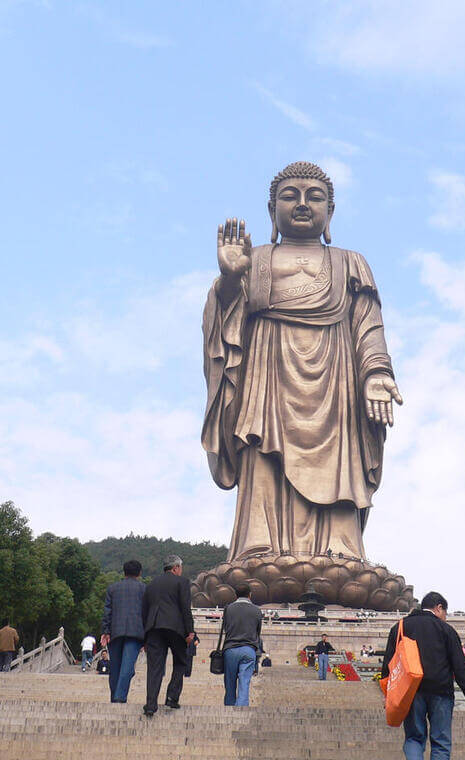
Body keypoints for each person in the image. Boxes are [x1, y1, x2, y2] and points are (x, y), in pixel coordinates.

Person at [203, 162, 403, 564]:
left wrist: (377, 373)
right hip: (267, 375)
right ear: (270, 210)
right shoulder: (255, 258)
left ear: (330, 212)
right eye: (289, 195)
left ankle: (342, 552)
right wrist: (229, 281)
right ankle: (258, 549)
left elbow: (367, 325)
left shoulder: (350, 262)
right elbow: (225, 325)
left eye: (315, 196)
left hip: (335, 385)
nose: (301, 204)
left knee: (339, 464)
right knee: (260, 451)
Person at [380, 591, 465, 760]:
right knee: (441, 741)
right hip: (441, 692)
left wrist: (388, 694)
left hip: (410, 691)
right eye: (445, 613)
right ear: (439, 608)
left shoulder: (400, 627)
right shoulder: (446, 630)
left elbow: (388, 664)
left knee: (413, 737)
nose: (445, 618)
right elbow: (460, 667)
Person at [141, 555, 194, 717]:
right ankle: (172, 697)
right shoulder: (182, 582)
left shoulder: (151, 585)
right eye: (180, 568)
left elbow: (144, 611)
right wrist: (190, 631)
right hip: (175, 628)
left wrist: (145, 636)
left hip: (154, 628)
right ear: (176, 568)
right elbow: (185, 607)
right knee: (180, 661)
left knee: (155, 667)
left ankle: (150, 705)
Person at [101, 559, 146, 703]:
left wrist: (105, 631)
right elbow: (147, 614)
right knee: (127, 667)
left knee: (115, 667)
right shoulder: (144, 589)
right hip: (136, 633)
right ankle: (119, 697)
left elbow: (107, 612)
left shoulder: (113, 588)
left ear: (124, 572)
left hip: (115, 632)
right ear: (139, 573)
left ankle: (115, 697)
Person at [220, 583, 263, 706]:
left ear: (235, 594)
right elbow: (257, 632)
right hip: (248, 649)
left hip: (230, 649)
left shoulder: (228, 608)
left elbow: (225, 628)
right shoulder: (256, 610)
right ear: (250, 595)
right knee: (244, 682)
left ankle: (229, 707)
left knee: (230, 682)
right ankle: (242, 708)